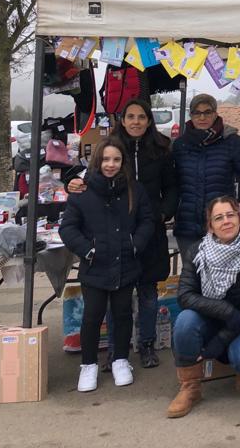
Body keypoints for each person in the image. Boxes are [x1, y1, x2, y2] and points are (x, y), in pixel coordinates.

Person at [67, 98, 179, 368]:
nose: (136, 122)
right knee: (116, 297)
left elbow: (173, 188)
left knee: (148, 294)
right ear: (123, 120)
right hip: (113, 233)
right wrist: (74, 183)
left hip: (149, 231)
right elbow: (91, 176)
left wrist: (162, 213)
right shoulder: (113, 148)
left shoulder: (162, 149)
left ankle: (147, 345)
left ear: (149, 121)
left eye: (142, 117)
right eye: (131, 117)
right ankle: (117, 353)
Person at [59, 135, 154, 393]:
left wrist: (136, 244)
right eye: (106, 159)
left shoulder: (135, 190)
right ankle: (88, 364)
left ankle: (120, 359)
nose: (110, 164)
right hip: (95, 267)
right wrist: (88, 250)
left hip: (126, 264)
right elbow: (68, 228)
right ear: (97, 161)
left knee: (123, 314)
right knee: (92, 316)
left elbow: (147, 221)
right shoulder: (82, 191)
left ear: (123, 162)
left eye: (116, 159)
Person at [167, 196, 240, 418]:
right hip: (210, 319)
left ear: (239, 218)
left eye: (230, 215)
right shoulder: (197, 251)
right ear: (211, 225)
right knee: (185, 321)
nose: (225, 221)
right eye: (218, 217)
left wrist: (221, 339)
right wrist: (225, 311)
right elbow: (185, 296)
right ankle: (190, 387)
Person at [172, 94, 240, 258]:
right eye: (196, 113)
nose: (202, 117)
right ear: (190, 115)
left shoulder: (231, 141)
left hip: (223, 224)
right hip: (188, 226)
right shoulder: (180, 145)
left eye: (207, 112)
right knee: (192, 278)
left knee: (224, 277)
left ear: (215, 114)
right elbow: (170, 182)